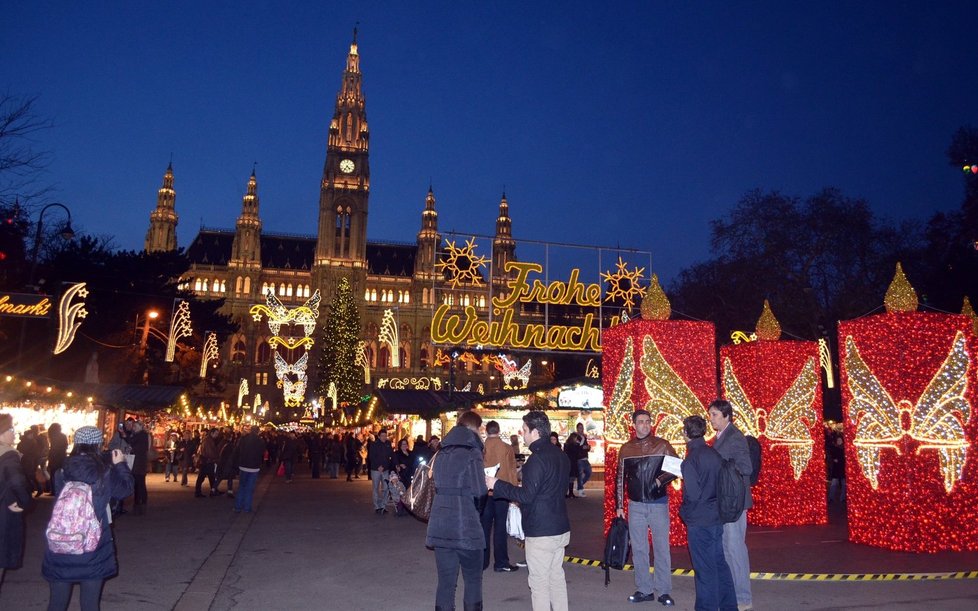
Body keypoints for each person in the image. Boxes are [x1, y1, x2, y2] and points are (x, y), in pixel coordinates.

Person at [42, 425, 134, 611]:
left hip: (61, 542)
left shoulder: (61, 471)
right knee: (90, 604)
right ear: (98, 444)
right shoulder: (105, 471)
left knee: (56, 603)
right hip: (93, 545)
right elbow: (126, 489)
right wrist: (121, 464)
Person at [488, 411, 570, 611]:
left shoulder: (537, 459)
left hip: (541, 531)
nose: (522, 434)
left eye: (524, 430)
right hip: (560, 527)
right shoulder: (560, 455)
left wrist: (496, 484)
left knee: (539, 584)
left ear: (535, 432)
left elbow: (526, 495)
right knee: (556, 578)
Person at [616, 409, 678, 606]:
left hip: (658, 505)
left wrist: (659, 481)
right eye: (641, 421)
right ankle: (644, 589)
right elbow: (620, 479)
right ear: (634, 425)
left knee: (661, 549)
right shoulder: (626, 449)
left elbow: (677, 468)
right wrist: (619, 505)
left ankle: (664, 591)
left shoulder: (662, 444)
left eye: (648, 421)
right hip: (636, 506)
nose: (645, 424)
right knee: (640, 549)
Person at [426, 411, 487, 611]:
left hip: (440, 524)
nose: (480, 432)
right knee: (473, 580)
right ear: (472, 428)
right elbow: (480, 492)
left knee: (445, 582)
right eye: (479, 428)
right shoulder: (473, 452)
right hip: (466, 526)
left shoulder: (440, 453)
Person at [680, 415, 737, 611]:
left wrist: (683, 511)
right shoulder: (714, 455)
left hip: (699, 520)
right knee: (719, 563)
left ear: (686, 433)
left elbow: (693, 495)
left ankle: (706, 608)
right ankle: (729, 606)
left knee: (704, 569)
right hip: (716, 517)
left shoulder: (690, 461)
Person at [708, 400, 753, 611]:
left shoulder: (735, 437)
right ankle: (732, 595)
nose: (711, 418)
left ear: (726, 416)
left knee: (735, 551)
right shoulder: (720, 436)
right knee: (727, 549)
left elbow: (746, 467)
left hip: (734, 503)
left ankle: (743, 598)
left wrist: (719, 464)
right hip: (726, 502)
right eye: (710, 415)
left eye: (715, 414)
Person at [481, 420, 519, 573]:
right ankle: (501, 562)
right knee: (500, 527)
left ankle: (482, 562)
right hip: (502, 492)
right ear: (498, 430)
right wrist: (514, 494)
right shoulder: (507, 448)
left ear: (486, 430)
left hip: (484, 492)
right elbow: (511, 471)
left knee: (484, 527)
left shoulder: (481, 448)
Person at [1, 414, 32, 584]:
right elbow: (17, 481)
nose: (14, 433)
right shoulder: (8, 455)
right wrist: (24, 502)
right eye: (11, 429)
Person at [233, 426, 266, 513]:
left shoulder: (243, 439)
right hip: (254, 467)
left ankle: (238, 506)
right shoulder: (260, 441)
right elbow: (262, 452)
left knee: (242, 486)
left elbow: (238, 450)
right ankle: (247, 507)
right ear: (258, 432)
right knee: (249, 488)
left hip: (243, 465)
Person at [367, 429, 393, 514]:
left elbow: (390, 455)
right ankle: (377, 506)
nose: (384, 437)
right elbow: (371, 456)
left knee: (385, 488)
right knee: (375, 488)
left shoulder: (388, 444)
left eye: (385, 436)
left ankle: (383, 505)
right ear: (378, 436)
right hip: (376, 469)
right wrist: (378, 466)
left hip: (385, 469)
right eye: (382, 436)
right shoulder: (374, 444)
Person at [129, 421, 150, 515]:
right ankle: (140, 503)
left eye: (136, 426)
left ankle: (139, 504)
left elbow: (138, 447)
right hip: (139, 463)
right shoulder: (139, 435)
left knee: (139, 483)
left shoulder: (141, 435)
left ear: (140, 427)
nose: (134, 427)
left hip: (139, 463)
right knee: (139, 483)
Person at [195, 428, 220, 497]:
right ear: (212, 433)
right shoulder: (208, 440)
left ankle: (213, 490)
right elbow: (210, 452)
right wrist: (215, 458)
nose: (217, 435)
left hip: (206, 461)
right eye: (216, 434)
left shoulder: (208, 439)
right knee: (203, 477)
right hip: (207, 461)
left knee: (209, 477)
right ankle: (199, 492)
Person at [46, 423, 69, 495]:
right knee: (60, 474)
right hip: (61, 458)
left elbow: (53, 448)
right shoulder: (63, 436)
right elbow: (65, 446)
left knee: (53, 474)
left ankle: (53, 491)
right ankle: (59, 490)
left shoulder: (53, 436)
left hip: (54, 458)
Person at [562, 433, 583, 499]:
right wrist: (579, 444)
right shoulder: (574, 445)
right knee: (571, 478)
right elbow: (578, 453)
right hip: (572, 463)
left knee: (568, 478)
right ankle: (570, 493)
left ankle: (567, 493)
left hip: (568, 462)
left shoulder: (566, 445)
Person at [574, 422, 592, 497]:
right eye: (580, 428)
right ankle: (580, 490)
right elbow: (576, 447)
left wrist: (588, 447)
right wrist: (583, 447)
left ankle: (579, 485)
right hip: (579, 458)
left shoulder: (584, 437)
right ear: (577, 428)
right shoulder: (575, 437)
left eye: (582, 428)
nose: (581, 429)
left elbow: (586, 446)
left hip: (585, 458)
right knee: (580, 474)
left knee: (589, 472)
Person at [827, 436, 846, 504]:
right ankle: (831, 498)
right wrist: (833, 459)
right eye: (838, 440)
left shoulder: (845, 448)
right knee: (834, 484)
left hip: (843, 469)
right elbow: (831, 456)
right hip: (836, 469)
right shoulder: (834, 448)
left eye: (840, 440)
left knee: (844, 484)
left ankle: (842, 498)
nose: (839, 441)